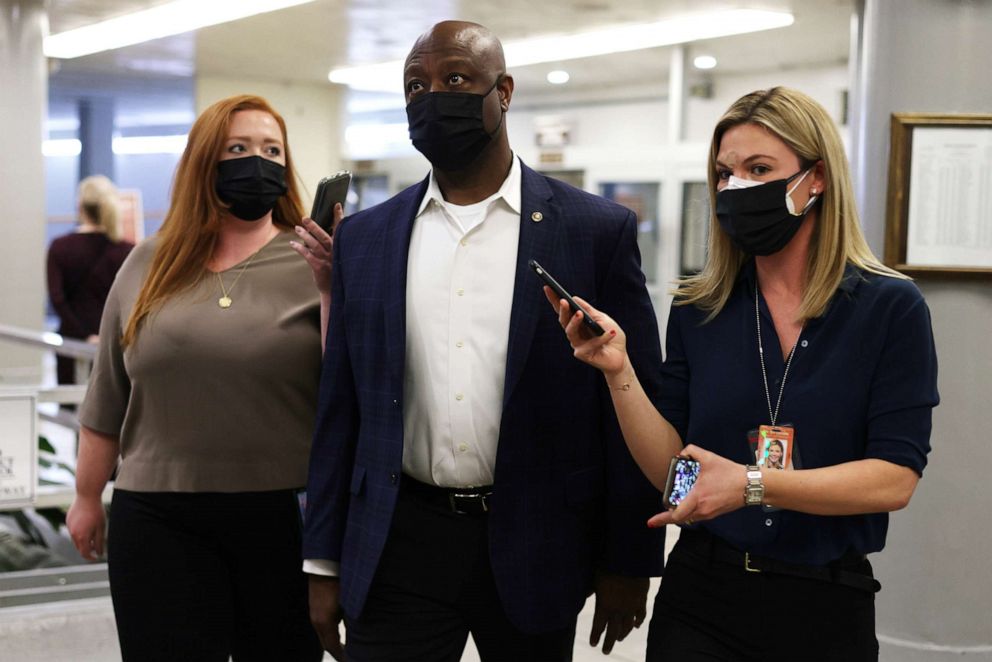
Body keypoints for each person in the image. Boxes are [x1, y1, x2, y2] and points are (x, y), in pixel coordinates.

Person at [303, 20, 665, 662]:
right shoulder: (366, 239)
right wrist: (322, 561)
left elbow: (629, 402)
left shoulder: (593, 230)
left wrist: (628, 560)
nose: (432, 95)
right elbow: (342, 409)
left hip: (538, 538)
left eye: (455, 79)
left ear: (504, 92)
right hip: (397, 540)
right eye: (416, 85)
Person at [547, 87, 938, 662]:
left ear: (817, 178)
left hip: (826, 603)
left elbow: (894, 479)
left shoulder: (889, 307)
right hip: (704, 597)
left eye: (759, 169)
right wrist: (618, 371)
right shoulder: (699, 307)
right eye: (725, 174)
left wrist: (751, 485)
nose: (736, 189)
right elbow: (676, 475)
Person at [66, 94, 338, 662]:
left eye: (271, 151)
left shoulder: (316, 260)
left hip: (282, 515)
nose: (256, 162)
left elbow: (346, 381)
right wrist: (87, 495)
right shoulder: (149, 261)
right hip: (156, 513)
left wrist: (331, 288)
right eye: (237, 149)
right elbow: (108, 394)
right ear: (203, 163)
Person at [46, 175, 134, 385]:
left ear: (80, 206)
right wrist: (104, 336)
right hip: (115, 344)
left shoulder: (60, 247)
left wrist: (85, 335)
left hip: (71, 342)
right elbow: (133, 299)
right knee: (112, 412)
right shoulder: (127, 251)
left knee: (67, 410)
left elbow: (57, 299)